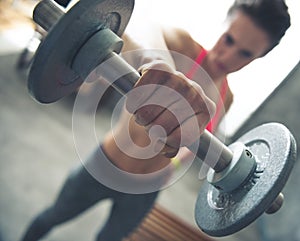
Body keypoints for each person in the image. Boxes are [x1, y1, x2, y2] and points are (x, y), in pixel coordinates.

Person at [20, 0, 291, 240]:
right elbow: (146, 29)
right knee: (51, 217)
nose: (228, 56)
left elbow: (193, 144)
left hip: (147, 191)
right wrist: (159, 64)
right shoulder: (182, 46)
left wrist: (173, 160)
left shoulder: (226, 97)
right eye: (229, 40)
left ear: (258, 58)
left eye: (245, 54)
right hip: (105, 166)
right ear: (224, 26)